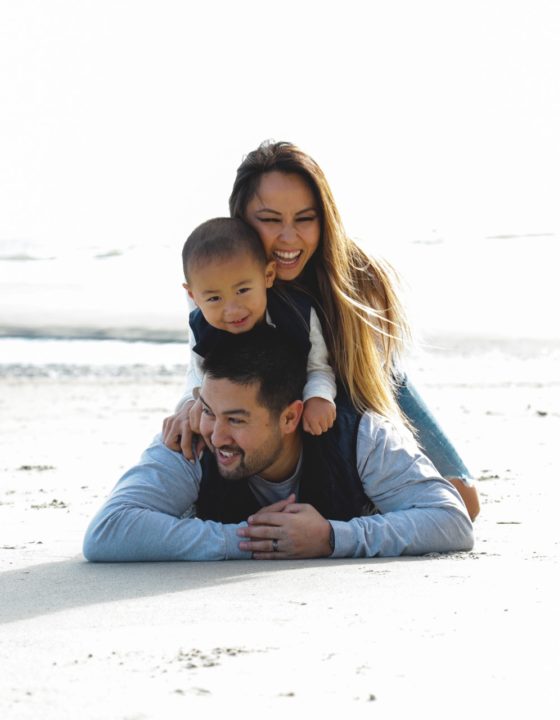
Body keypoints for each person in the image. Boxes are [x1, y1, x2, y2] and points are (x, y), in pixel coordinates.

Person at [163, 140, 480, 521]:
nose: (289, 237)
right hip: (274, 399)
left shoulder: (353, 278)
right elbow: (201, 361)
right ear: (241, 219)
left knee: (463, 499)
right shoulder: (217, 276)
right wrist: (188, 404)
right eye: (269, 219)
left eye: (304, 218)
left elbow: (372, 376)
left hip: (355, 384)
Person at [83, 327, 474, 562]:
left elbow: (451, 521)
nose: (217, 435)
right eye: (209, 410)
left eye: (237, 420)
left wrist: (332, 538)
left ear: (290, 417)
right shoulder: (194, 436)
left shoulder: (361, 437)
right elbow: (107, 531)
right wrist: (242, 541)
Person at [179, 216, 337, 444]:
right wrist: (194, 403)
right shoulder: (201, 327)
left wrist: (318, 396)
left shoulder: (298, 314)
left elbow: (318, 367)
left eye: (243, 290)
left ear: (268, 275)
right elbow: (198, 375)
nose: (232, 310)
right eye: (214, 298)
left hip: (293, 412)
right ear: (193, 295)